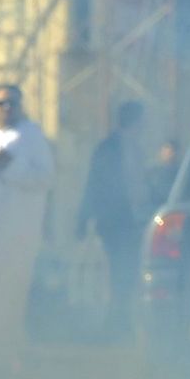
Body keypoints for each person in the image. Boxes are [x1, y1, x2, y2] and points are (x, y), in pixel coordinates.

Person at [0, 85, 55, 361]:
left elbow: (45, 178)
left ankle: (12, 346)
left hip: (20, 228)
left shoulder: (32, 134)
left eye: (12, 103)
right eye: (1, 103)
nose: (7, 108)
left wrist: (10, 164)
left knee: (15, 287)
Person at [77, 100, 149, 339]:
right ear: (136, 120)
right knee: (119, 271)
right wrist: (83, 218)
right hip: (115, 221)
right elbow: (94, 184)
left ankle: (121, 320)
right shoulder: (109, 148)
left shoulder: (136, 148)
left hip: (133, 220)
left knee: (127, 271)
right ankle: (115, 323)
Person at [148, 139, 180, 211]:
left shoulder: (180, 173)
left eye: (172, 151)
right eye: (166, 150)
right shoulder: (152, 172)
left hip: (172, 208)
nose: (169, 154)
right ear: (160, 152)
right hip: (153, 208)